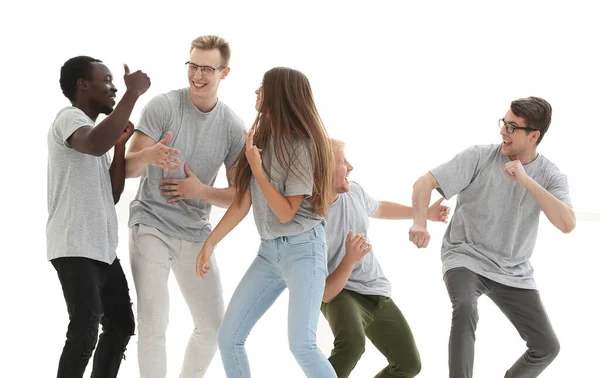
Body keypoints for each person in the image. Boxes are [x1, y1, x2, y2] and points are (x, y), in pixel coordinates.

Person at [409, 97, 576, 378]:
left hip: (513, 270)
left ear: (534, 136)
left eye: (513, 127)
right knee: (464, 307)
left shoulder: (550, 175)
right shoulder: (479, 156)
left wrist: (526, 180)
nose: (503, 132)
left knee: (546, 346)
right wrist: (420, 223)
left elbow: (567, 223)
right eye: (504, 123)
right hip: (466, 256)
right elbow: (424, 182)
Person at [195, 67, 337, 377]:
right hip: (269, 253)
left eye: (261, 88)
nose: (256, 93)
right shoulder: (260, 139)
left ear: (278, 94)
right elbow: (242, 202)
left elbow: (286, 212)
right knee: (229, 338)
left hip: (304, 249)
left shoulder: (301, 144)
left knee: (302, 345)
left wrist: (258, 168)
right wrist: (210, 243)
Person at [124, 35, 245, 378]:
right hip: (151, 224)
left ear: (225, 72)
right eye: (193, 65)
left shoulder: (233, 127)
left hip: (195, 233)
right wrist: (149, 155)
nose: (198, 75)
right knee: (153, 320)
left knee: (213, 328)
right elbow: (128, 168)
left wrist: (201, 191)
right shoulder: (163, 106)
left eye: (208, 68)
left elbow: (238, 196)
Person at [47, 55, 150, 378]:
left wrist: (119, 146)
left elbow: (112, 193)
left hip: (102, 250)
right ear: (83, 85)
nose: (115, 88)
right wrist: (134, 95)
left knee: (120, 325)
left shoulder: (94, 134)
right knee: (85, 329)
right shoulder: (69, 118)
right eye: (106, 81)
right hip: (75, 245)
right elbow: (92, 144)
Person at [321, 139, 449, 378]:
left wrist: (424, 214)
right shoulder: (312, 217)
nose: (350, 167)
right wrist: (349, 260)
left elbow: (379, 208)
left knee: (409, 364)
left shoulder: (354, 191)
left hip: (376, 290)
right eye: (342, 162)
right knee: (352, 345)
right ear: (324, 169)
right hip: (341, 292)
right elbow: (325, 294)